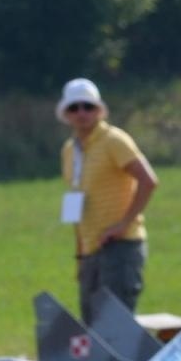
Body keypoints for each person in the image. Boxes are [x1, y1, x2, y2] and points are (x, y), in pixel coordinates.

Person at [57, 77, 158, 316]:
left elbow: (148, 181)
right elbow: (76, 205)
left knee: (115, 326)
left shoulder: (114, 140)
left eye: (87, 106)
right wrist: (80, 255)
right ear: (66, 114)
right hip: (90, 251)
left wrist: (123, 225)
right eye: (74, 108)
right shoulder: (70, 151)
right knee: (91, 326)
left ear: (99, 110)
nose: (81, 113)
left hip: (120, 247)